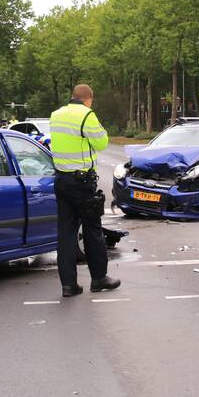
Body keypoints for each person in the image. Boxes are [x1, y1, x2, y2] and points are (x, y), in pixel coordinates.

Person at [49, 84, 120, 297]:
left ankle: (68, 285)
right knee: (92, 230)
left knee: (66, 234)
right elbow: (102, 142)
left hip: (61, 180)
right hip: (82, 183)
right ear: (89, 99)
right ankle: (98, 278)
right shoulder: (86, 115)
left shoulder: (56, 115)